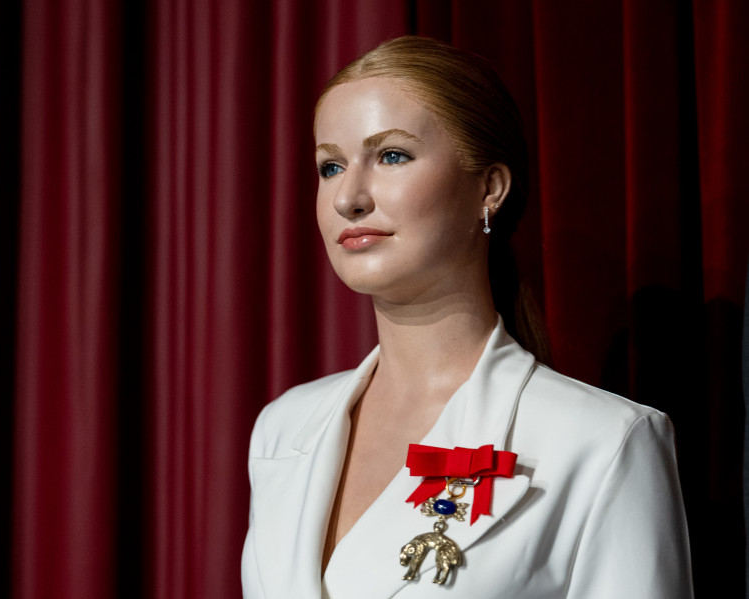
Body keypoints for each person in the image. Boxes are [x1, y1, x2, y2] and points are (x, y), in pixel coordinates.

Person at [241, 36, 692, 598]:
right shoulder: (284, 427)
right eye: (330, 165)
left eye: (391, 156)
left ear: (489, 188)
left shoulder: (602, 443)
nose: (347, 198)